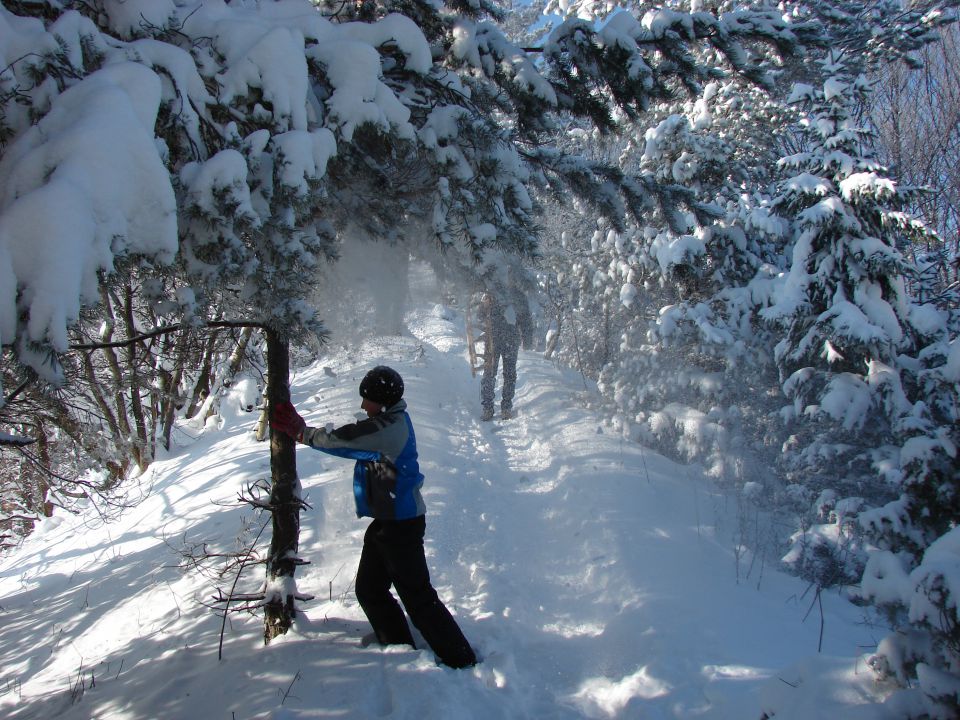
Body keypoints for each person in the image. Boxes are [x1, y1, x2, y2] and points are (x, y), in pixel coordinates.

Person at [271, 366, 477, 669]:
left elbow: (345, 440)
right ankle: (398, 647)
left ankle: (461, 659)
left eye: (366, 399)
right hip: (387, 521)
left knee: (418, 597)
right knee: (369, 589)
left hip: (401, 525)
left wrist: (302, 433)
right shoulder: (388, 419)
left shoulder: (388, 429)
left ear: (381, 401)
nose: (362, 406)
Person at [478, 286, 533, 421]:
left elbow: (525, 317)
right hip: (494, 339)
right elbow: (479, 315)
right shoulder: (491, 293)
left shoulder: (515, 294)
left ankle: (504, 407)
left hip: (507, 339)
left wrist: (527, 338)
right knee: (491, 373)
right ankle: (489, 407)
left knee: (506, 373)